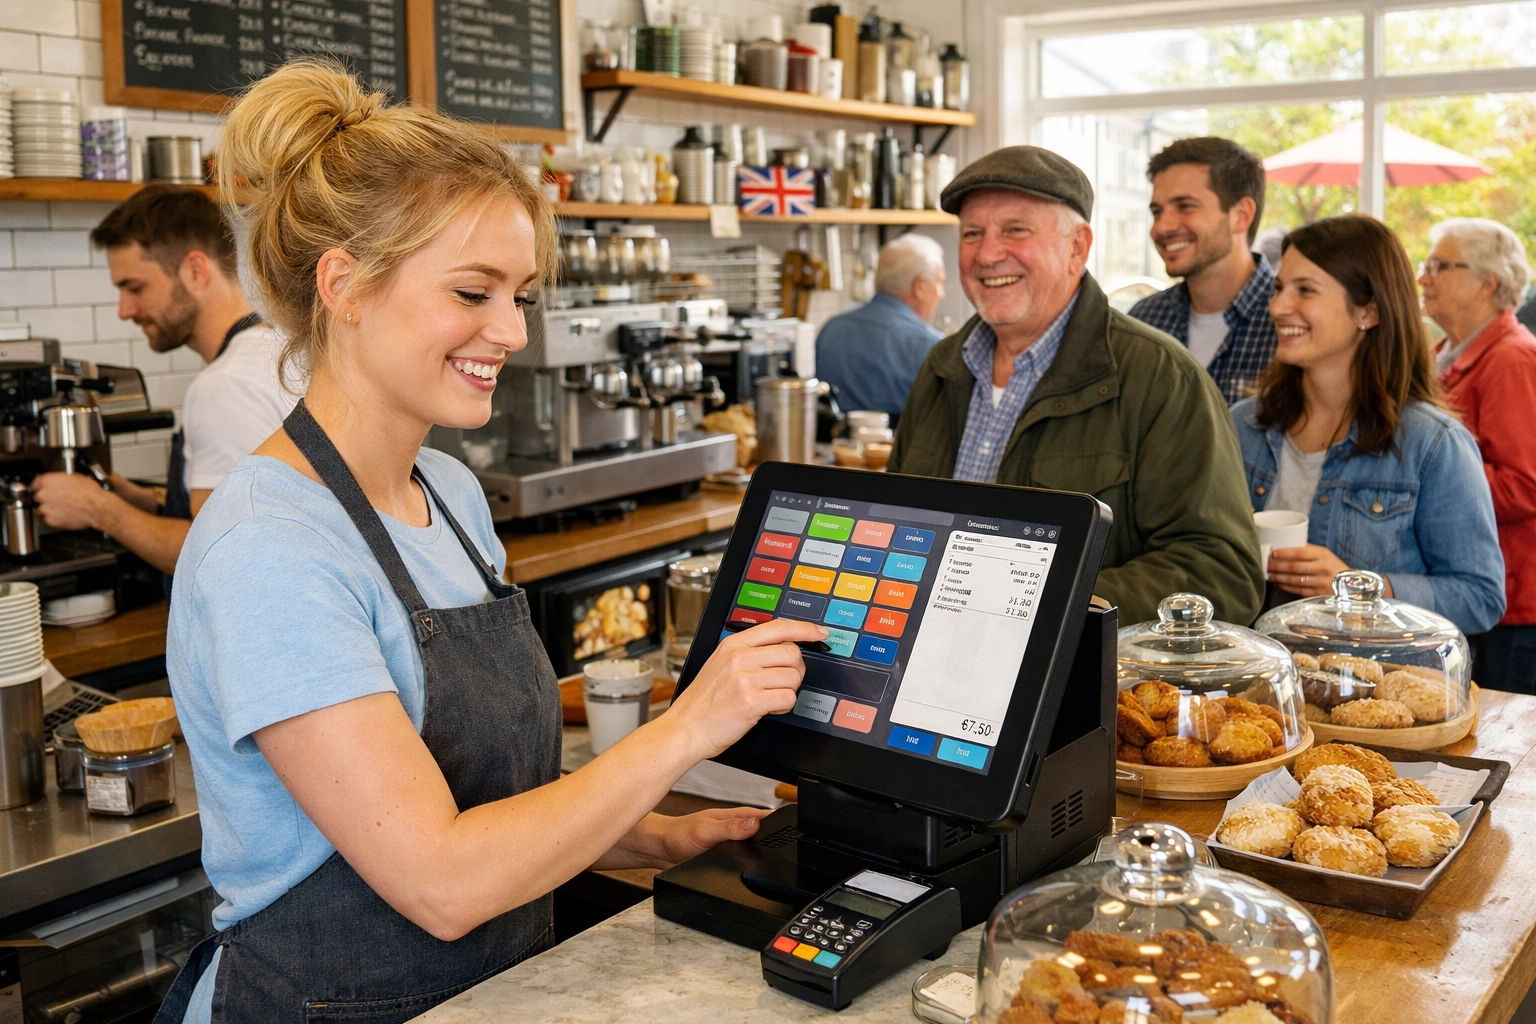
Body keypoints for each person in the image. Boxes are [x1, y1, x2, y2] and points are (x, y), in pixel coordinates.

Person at [154, 62, 827, 1023]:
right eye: (473, 292)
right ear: (344, 285)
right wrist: (687, 728)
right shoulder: (270, 550)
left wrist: (643, 838)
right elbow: (441, 878)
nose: (510, 331)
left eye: (520, 295)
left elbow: (482, 800)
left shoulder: (452, 496)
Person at [888, 146, 1264, 626]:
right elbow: (898, 524)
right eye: (972, 234)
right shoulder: (943, 368)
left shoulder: (1162, 377)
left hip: (1078, 687)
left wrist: (1044, 606)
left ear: (1077, 248)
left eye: (1015, 230)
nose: (986, 254)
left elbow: (1221, 572)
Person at [1231, 215, 1506, 636]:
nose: (1277, 307)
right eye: (1279, 287)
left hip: (1368, 692)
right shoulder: (1241, 425)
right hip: (1252, 694)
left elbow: (1480, 597)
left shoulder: (1433, 445)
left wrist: (1365, 590)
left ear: (1369, 311)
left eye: (1305, 290)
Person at [31, 185, 297, 576]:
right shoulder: (275, 348)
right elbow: (258, 510)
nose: (125, 310)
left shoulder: (225, 386)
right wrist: (147, 500)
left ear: (195, 270)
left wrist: (99, 509)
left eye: (135, 288)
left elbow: (221, 556)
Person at [1421, 218, 1536, 691]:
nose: (1423, 277)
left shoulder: (1513, 359)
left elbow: (1526, 484)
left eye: (1439, 266)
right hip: (1464, 594)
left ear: (1487, 283)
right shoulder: (1441, 353)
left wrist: (1434, 488)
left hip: (1510, 604)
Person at [1129, 137, 1278, 404]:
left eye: (1185, 206)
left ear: (1241, 215)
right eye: (1157, 211)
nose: (1162, 227)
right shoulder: (1144, 320)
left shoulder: (1289, 322)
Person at [814, 233, 945, 419]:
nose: (941, 294)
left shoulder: (832, 329)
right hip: (897, 447)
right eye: (939, 282)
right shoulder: (930, 345)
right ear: (919, 286)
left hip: (833, 446)